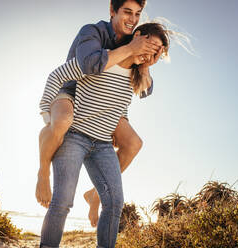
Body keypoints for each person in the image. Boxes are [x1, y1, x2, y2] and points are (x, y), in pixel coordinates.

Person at [39, 22, 170, 248]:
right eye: (151, 45)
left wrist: (146, 67)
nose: (152, 53)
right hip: (75, 137)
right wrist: (47, 117)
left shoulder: (136, 76)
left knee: (114, 203)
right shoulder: (102, 59)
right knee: (62, 202)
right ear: (138, 36)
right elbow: (56, 76)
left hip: (103, 146)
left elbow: (131, 98)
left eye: (157, 51)